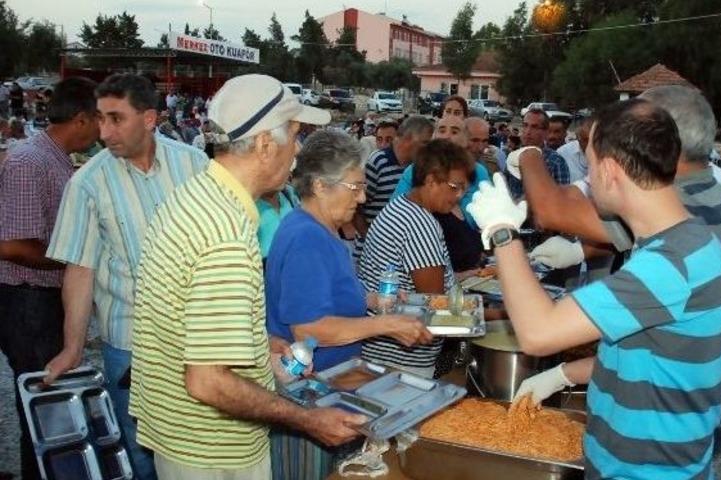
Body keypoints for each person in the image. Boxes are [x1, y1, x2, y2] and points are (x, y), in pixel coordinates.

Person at [467, 99, 721, 480]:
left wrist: (502, 233)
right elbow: (648, 353)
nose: (588, 178)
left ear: (609, 171)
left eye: (590, 164)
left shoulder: (670, 264)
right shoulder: (682, 242)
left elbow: (538, 334)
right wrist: (565, 374)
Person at [129, 74, 364, 480]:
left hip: (179, 433)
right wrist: (307, 419)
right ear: (264, 144)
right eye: (294, 135)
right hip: (212, 451)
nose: (298, 150)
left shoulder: (196, 194)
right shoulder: (227, 234)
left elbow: (191, 326)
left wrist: (261, 347)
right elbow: (207, 381)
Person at [43, 74, 210, 480]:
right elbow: (80, 271)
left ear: (150, 118)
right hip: (131, 347)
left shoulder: (195, 165)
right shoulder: (86, 184)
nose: (105, 131)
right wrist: (73, 347)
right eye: (100, 119)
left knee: (198, 449)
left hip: (197, 342)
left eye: (116, 119)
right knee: (142, 456)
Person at [265, 130, 432, 480]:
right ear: (321, 186)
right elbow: (310, 329)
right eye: (355, 187)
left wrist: (372, 300)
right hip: (309, 398)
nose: (364, 196)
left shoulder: (320, 230)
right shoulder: (307, 237)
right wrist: (386, 324)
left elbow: (324, 295)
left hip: (330, 386)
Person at [0, 77, 100, 480]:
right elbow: (11, 245)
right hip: (25, 299)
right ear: (80, 119)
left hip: (39, 299)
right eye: (101, 119)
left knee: (49, 400)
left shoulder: (54, 159)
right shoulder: (31, 161)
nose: (104, 130)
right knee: (42, 405)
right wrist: (74, 263)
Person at [358, 140, 471, 377]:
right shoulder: (421, 224)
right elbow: (434, 303)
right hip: (403, 358)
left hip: (382, 349)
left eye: (463, 189)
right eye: (454, 187)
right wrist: (496, 316)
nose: (459, 195)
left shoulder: (400, 206)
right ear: (430, 181)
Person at [352, 116, 433, 239]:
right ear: (408, 139)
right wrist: (370, 238)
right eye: (425, 143)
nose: (428, 149)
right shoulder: (378, 162)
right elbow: (356, 206)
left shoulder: (418, 167)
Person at [505, 108, 570, 198]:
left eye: (534, 127)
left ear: (545, 132)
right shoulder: (512, 157)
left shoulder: (556, 162)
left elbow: (562, 199)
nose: (528, 131)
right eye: (525, 125)